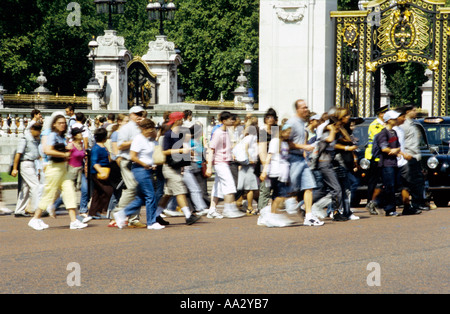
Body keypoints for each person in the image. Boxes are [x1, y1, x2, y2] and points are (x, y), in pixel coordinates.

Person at [28, 114, 88, 230]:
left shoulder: (61, 137)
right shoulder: (52, 135)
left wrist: (66, 150)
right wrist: (64, 153)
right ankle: (35, 218)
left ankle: (74, 220)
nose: (63, 125)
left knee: (70, 191)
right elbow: (47, 150)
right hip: (54, 168)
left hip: (62, 168)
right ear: (54, 124)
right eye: (60, 123)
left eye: (64, 123)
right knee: (49, 193)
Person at [114, 119, 162, 230]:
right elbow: (133, 156)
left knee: (141, 198)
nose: (151, 132)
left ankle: (122, 213)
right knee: (150, 195)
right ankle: (151, 222)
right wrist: (144, 164)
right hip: (140, 170)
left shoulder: (149, 139)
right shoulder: (138, 139)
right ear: (143, 129)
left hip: (147, 169)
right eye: (149, 130)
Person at [156, 112, 201, 225]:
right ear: (177, 121)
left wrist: (185, 157)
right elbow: (165, 151)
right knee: (180, 190)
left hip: (175, 166)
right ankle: (188, 216)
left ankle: (156, 215)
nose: (183, 121)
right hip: (169, 167)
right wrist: (180, 151)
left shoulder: (179, 134)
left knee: (168, 194)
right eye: (181, 119)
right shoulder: (168, 134)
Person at [285, 99, 323, 226]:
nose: (306, 109)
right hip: (292, 159)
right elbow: (285, 142)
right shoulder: (292, 123)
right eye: (304, 107)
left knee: (309, 186)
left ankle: (308, 216)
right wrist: (304, 147)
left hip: (301, 158)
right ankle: (268, 211)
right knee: (288, 190)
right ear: (298, 109)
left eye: (307, 107)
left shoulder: (302, 123)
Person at [110, 106, 146, 228]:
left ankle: (133, 218)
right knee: (132, 187)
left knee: (138, 189)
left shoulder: (142, 127)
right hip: (127, 161)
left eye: (141, 113)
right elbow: (120, 145)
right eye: (137, 114)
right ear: (131, 115)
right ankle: (117, 212)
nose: (139, 116)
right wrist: (136, 141)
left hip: (139, 162)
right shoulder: (126, 128)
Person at [205, 111, 245, 219]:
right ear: (224, 121)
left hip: (224, 162)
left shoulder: (226, 131)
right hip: (220, 163)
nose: (233, 121)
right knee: (230, 185)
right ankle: (228, 210)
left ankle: (212, 210)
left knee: (217, 187)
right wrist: (209, 167)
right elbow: (211, 149)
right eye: (231, 119)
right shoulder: (218, 132)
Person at [258, 124, 295, 227]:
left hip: (283, 172)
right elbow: (269, 156)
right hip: (276, 172)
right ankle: (271, 215)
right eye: (287, 132)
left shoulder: (285, 143)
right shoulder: (275, 141)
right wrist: (264, 171)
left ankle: (269, 214)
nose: (288, 134)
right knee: (281, 195)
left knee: (278, 195)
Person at [375, 110, 403, 216]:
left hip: (393, 162)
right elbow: (384, 148)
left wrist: (396, 150)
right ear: (389, 120)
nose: (396, 120)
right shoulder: (383, 133)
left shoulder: (393, 132)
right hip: (386, 164)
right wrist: (394, 151)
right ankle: (389, 208)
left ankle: (379, 203)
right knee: (389, 186)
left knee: (393, 186)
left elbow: (397, 146)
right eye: (394, 119)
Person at [401, 105, 428, 213]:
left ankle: (418, 202)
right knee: (410, 182)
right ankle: (412, 204)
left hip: (415, 156)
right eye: (414, 110)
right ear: (407, 112)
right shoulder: (404, 125)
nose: (416, 112)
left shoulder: (413, 124)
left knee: (418, 181)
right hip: (408, 156)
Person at [11, 123, 42, 217]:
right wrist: (15, 168)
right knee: (36, 186)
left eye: (39, 129)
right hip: (26, 163)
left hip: (32, 163)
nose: (38, 132)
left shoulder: (36, 139)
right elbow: (18, 154)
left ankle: (19, 210)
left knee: (26, 189)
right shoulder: (25, 139)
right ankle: (36, 209)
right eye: (37, 129)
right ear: (32, 129)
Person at [365, 105, 388, 215]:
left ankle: (379, 202)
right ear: (381, 114)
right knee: (373, 182)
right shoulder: (375, 125)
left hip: (382, 156)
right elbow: (379, 137)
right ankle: (370, 202)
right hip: (374, 156)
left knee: (383, 181)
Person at [88, 128, 113, 219]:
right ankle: (103, 209)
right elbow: (94, 162)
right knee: (109, 191)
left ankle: (93, 212)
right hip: (98, 173)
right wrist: (101, 171)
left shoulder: (103, 147)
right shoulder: (96, 148)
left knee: (97, 192)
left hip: (104, 171)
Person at [257, 108, 279, 213]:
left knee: (276, 188)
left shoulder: (276, 130)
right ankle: (262, 210)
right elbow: (261, 150)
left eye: (272, 117)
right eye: (268, 117)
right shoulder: (262, 131)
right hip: (265, 162)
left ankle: (272, 211)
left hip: (276, 162)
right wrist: (265, 167)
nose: (270, 119)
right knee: (265, 189)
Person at [237, 117, 260, 215]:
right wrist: (249, 158)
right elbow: (246, 148)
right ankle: (249, 207)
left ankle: (240, 203)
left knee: (246, 187)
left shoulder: (245, 137)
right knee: (250, 188)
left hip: (244, 164)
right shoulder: (252, 138)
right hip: (249, 164)